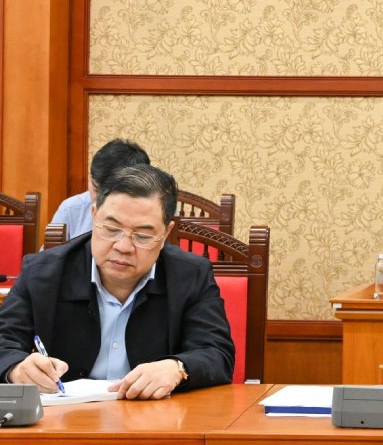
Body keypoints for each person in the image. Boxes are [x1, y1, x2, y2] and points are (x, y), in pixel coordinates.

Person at [0, 164, 235, 399]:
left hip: (155, 422)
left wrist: (177, 368)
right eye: (111, 229)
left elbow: (217, 353)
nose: (123, 246)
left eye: (143, 236)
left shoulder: (190, 275)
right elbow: (4, 341)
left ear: (165, 233)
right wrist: (16, 368)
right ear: (94, 216)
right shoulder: (43, 273)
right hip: (65, 423)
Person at [51, 138, 151, 238]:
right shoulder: (70, 209)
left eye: (109, 194)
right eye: (96, 189)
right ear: (90, 177)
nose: (100, 199)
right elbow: (49, 252)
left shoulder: (151, 214)